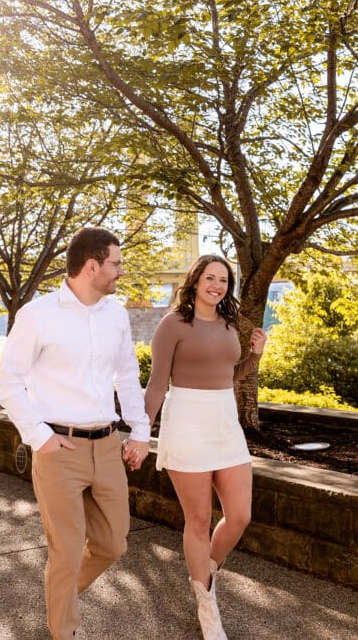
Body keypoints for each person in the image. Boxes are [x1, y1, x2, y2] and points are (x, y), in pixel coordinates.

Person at [0, 227, 151, 640]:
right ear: (92, 265)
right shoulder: (38, 314)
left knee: (114, 544)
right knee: (65, 550)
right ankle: (64, 628)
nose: (120, 271)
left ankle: (59, 594)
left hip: (107, 445)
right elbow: (8, 382)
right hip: (58, 447)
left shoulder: (115, 313)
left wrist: (140, 430)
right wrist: (39, 435)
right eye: (116, 263)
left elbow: (128, 375)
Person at [144, 254, 267, 640]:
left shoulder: (230, 324)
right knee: (198, 521)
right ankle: (206, 604)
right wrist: (139, 432)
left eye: (224, 281)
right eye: (210, 278)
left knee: (240, 515)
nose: (217, 285)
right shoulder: (172, 325)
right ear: (195, 281)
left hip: (225, 424)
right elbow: (157, 383)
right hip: (186, 424)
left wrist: (255, 358)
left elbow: (229, 376)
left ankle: (205, 571)